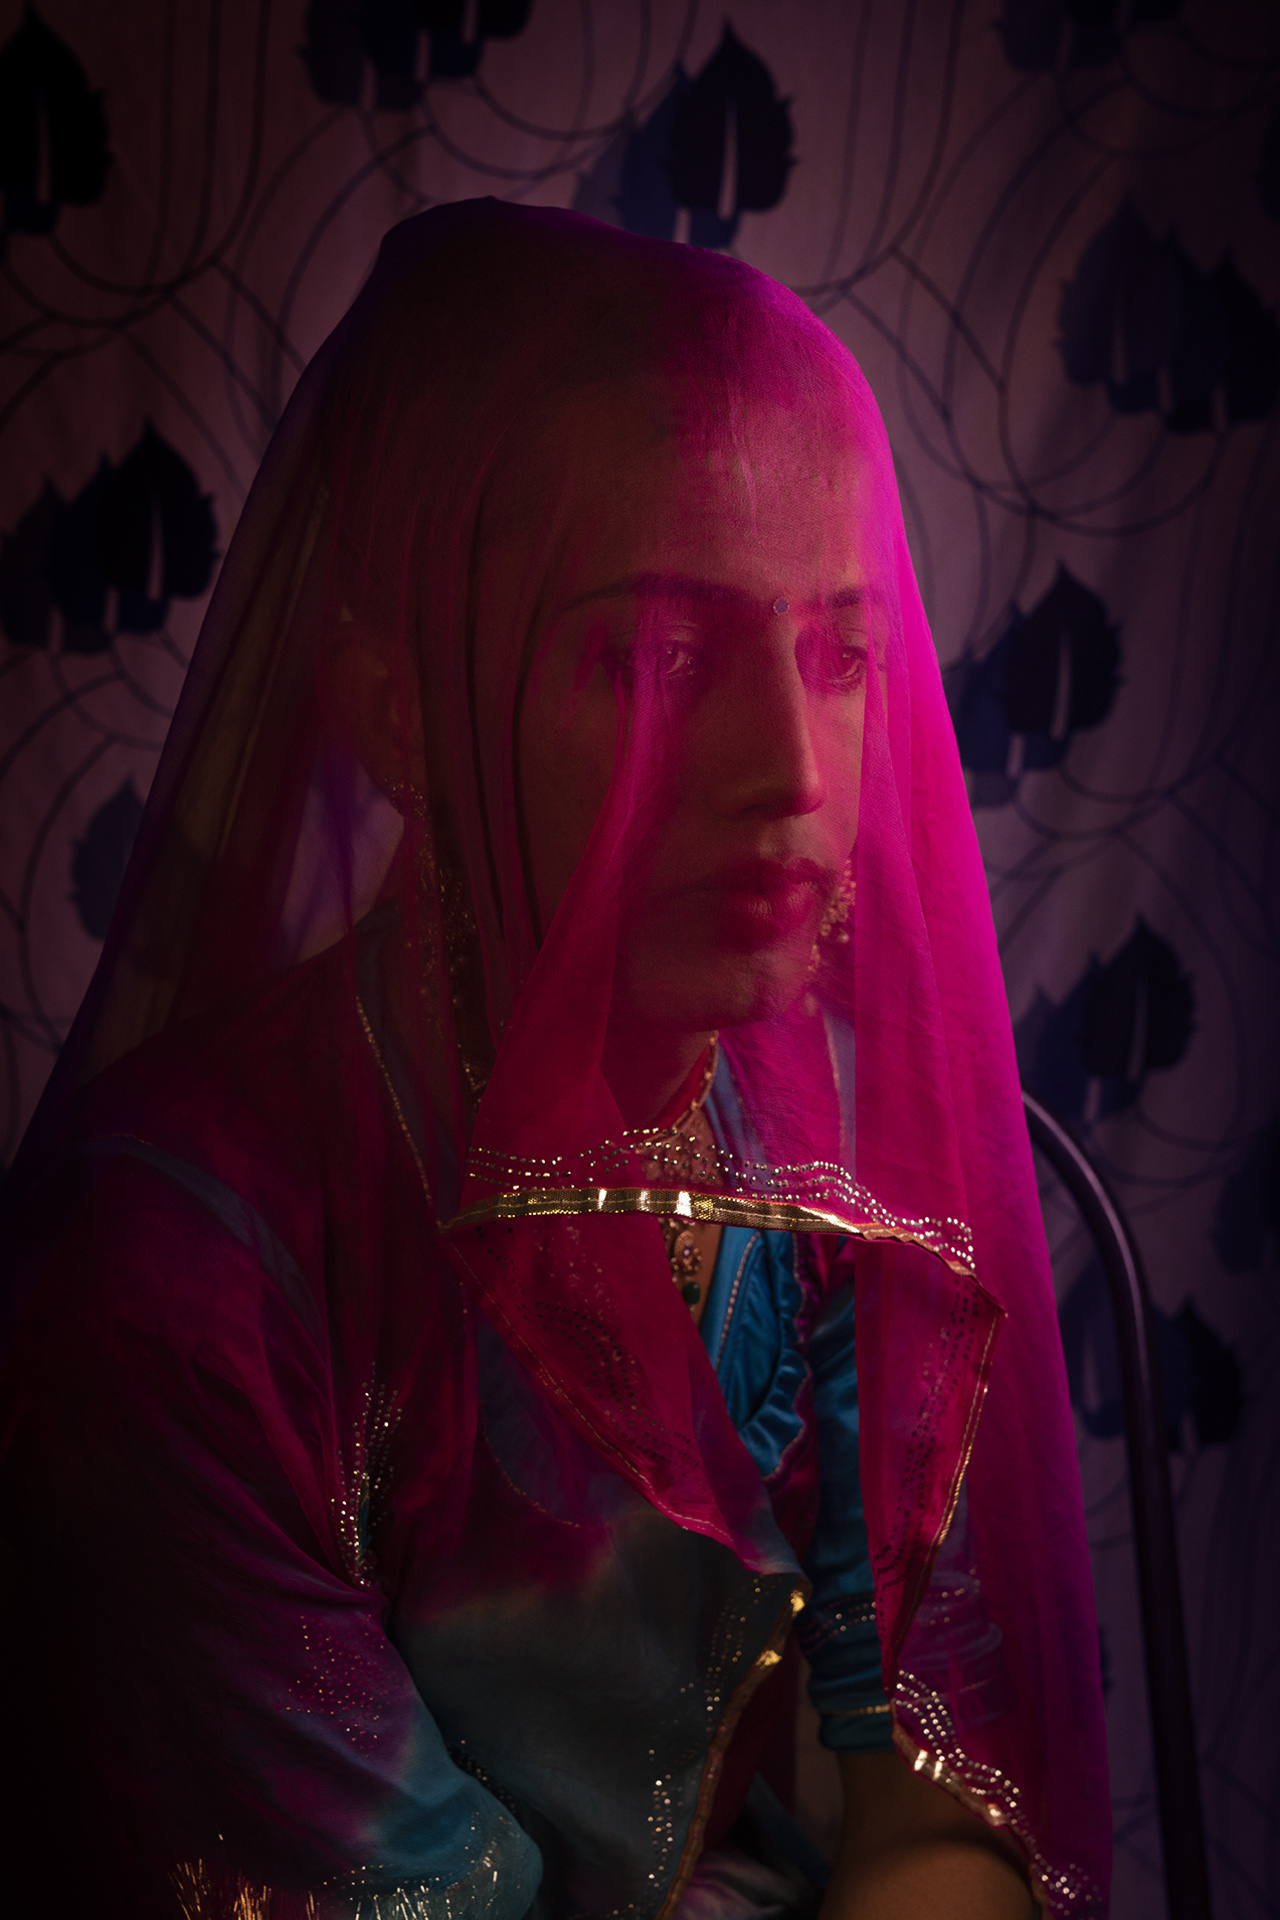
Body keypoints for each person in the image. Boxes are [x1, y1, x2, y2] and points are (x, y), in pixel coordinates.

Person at [0, 201, 1108, 1919]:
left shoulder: (830, 1165)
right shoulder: (172, 1279)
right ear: (403, 712)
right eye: (662, 656)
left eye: (839, 655)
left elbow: (945, 1815)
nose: (797, 774)